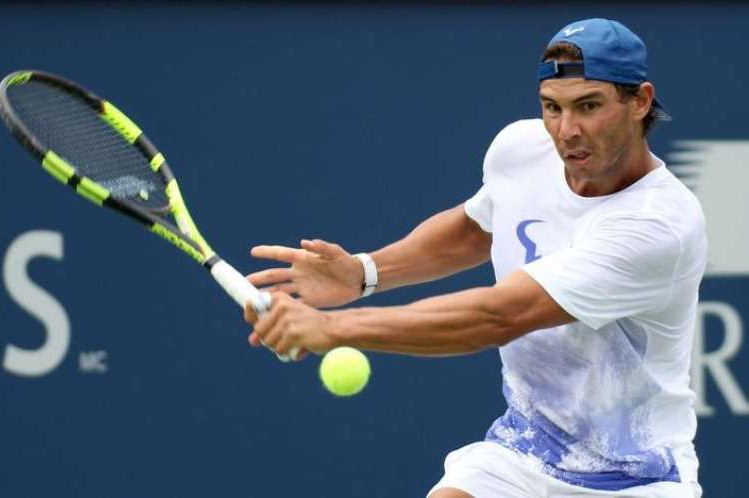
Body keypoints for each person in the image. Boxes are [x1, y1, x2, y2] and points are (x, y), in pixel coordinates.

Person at [243, 18, 706, 498]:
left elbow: (500, 316)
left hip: (639, 479)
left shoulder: (659, 223)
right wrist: (365, 272)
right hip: (523, 453)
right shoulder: (523, 148)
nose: (566, 131)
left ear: (640, 101)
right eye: (552, 107)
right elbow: (475, 228)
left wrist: (332, 329)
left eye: (588, 106)